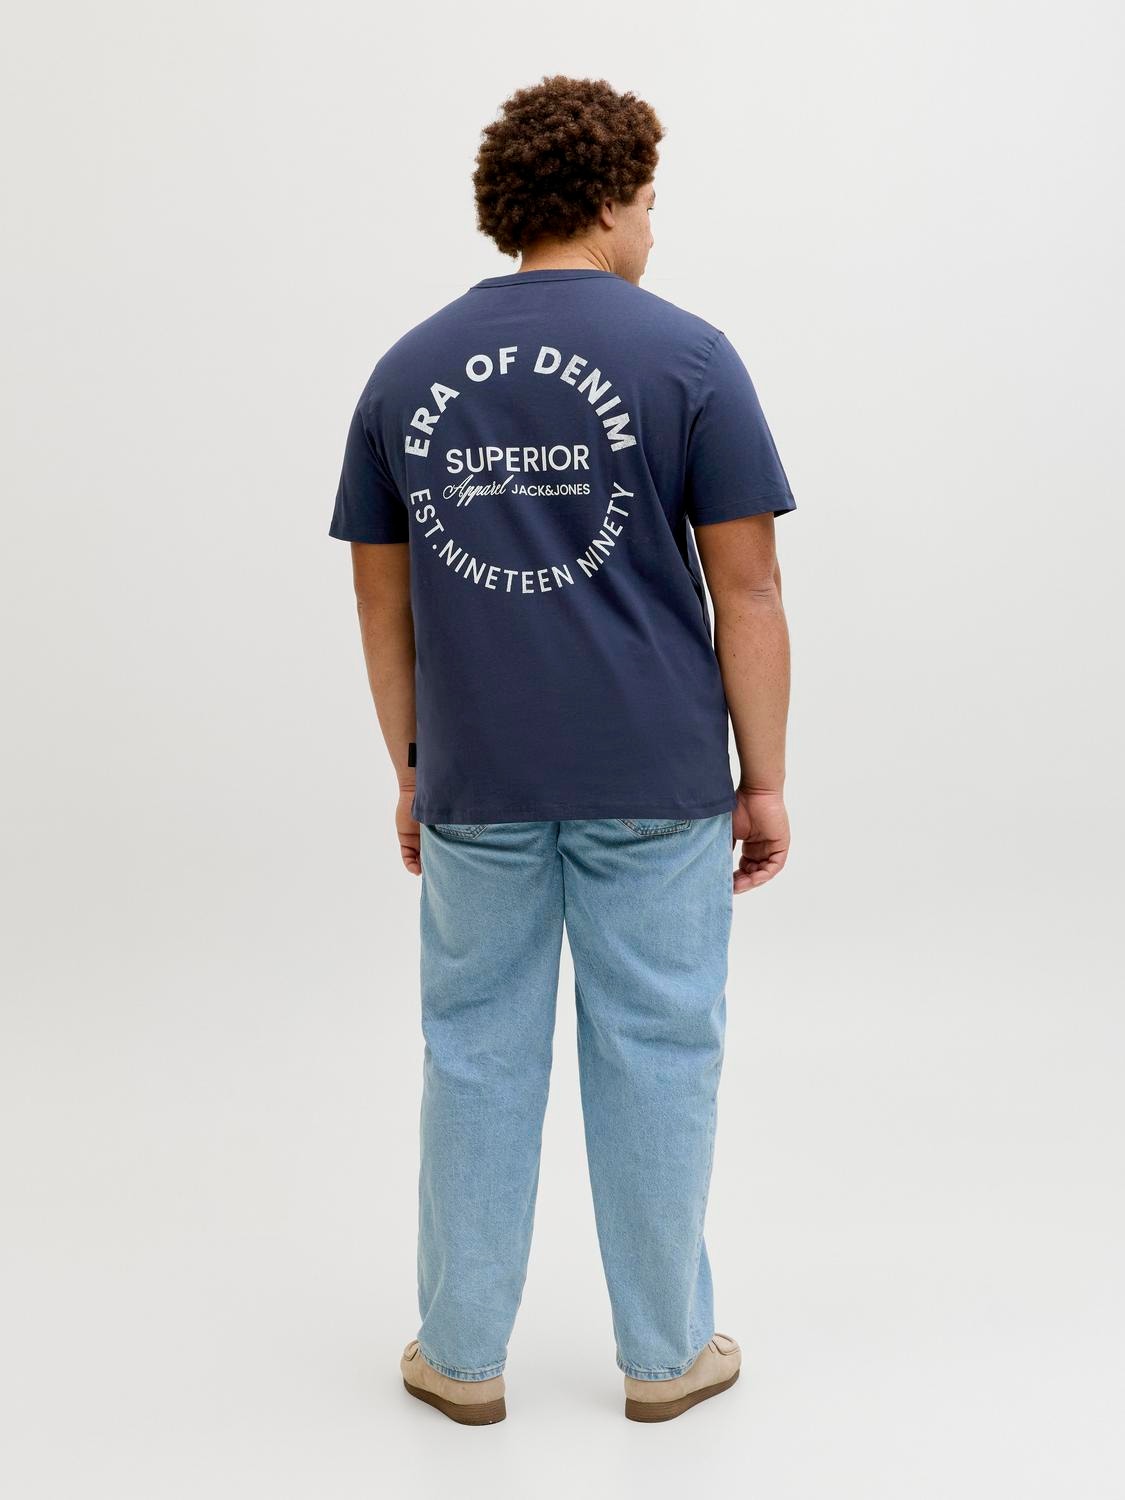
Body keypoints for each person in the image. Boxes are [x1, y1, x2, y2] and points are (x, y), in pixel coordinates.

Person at [329, 73, 795, 1425]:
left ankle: (461, 1357)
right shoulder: (689, 357)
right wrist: (763, 778)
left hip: (479, 778)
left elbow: (380, 599)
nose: (652, 229)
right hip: (655, 775)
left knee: (476, 1052)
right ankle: (666, 1356)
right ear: (602, 203)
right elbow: (750, 590)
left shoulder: (406, 369)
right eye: (648, 203)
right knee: (658, 1051)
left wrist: (414, 765)